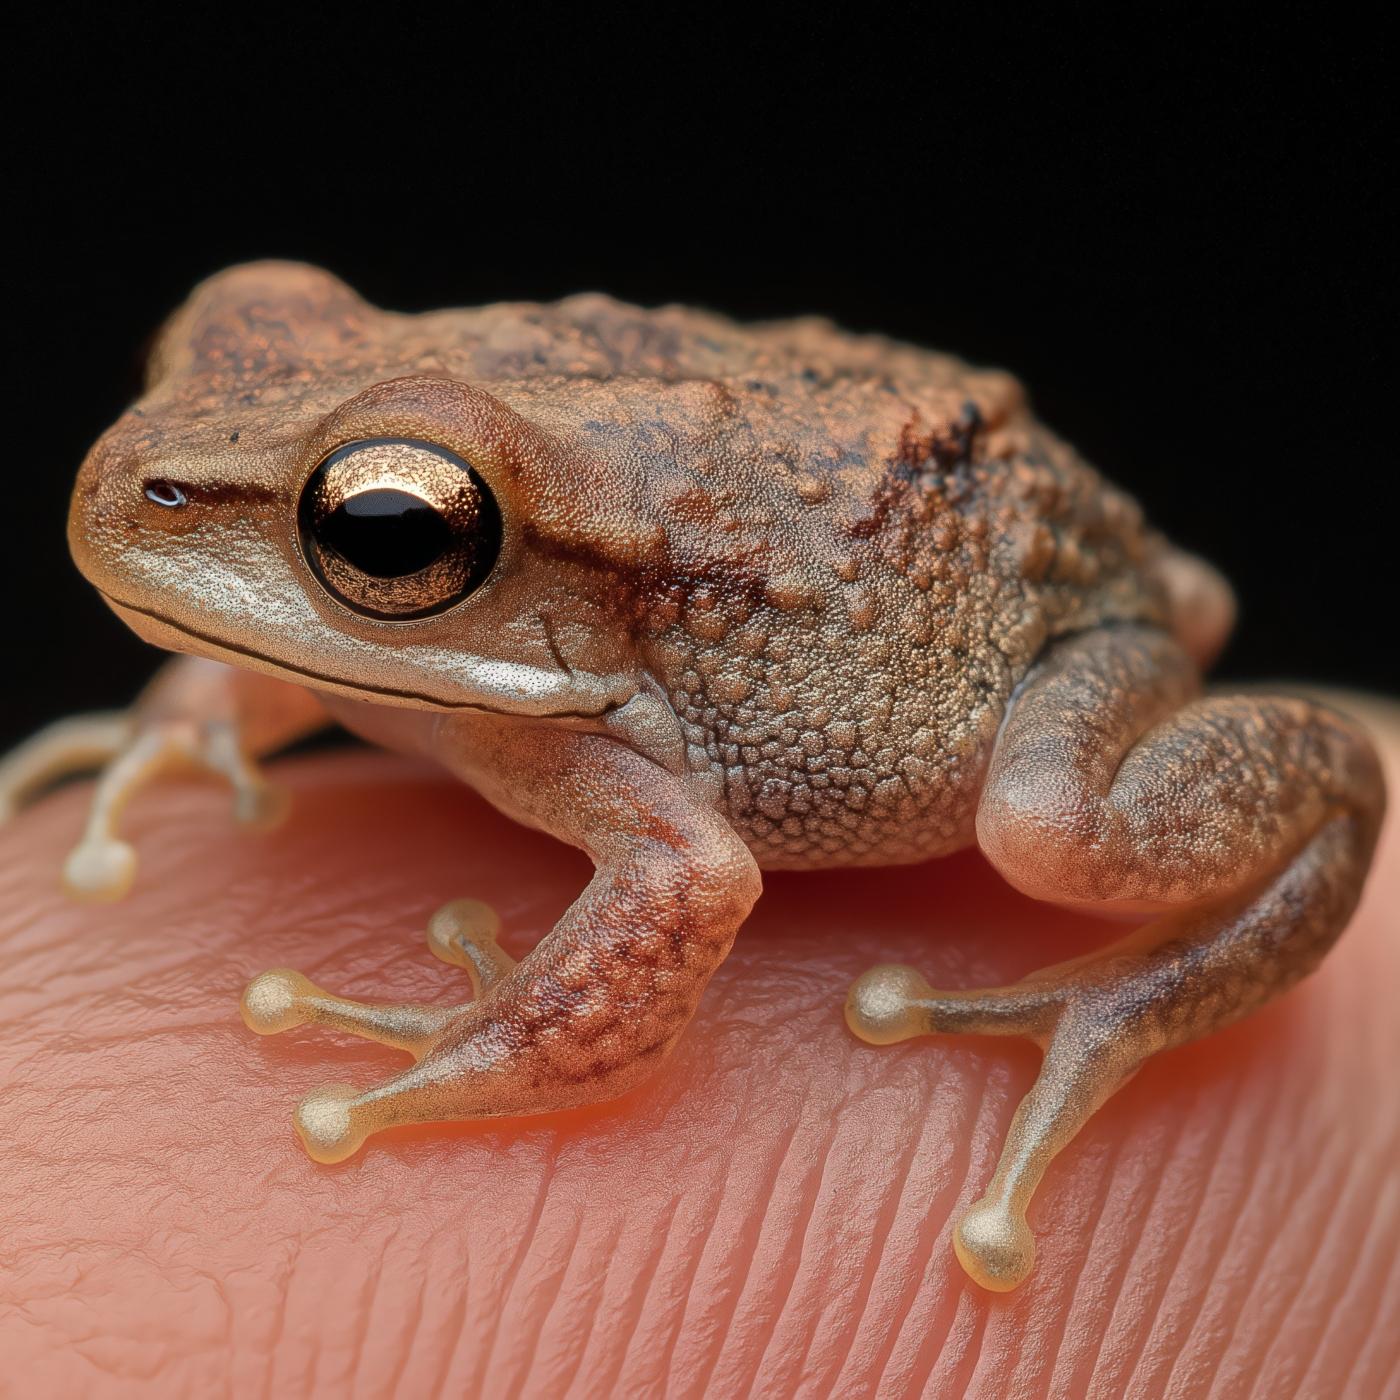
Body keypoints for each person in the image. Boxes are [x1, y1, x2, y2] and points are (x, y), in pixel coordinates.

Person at [1, 696, 1395, 1397]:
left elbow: (690, 874)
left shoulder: (570, 723)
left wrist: (531, 1029)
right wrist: (205, 708)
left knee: (1056, 826)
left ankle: (1137, 1002)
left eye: (386, 530)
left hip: (1035, 628)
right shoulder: (490, 660)